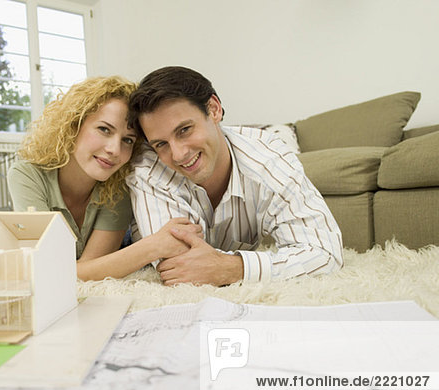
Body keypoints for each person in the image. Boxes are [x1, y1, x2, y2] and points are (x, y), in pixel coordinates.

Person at [126, 66, 344, 286]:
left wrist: (232, 267)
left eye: (184, 130)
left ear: (214, 109)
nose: (178, 154)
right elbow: (178, 267)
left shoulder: (268, 157)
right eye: (161, 144)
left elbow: (325, 252)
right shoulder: (148, 168)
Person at [8, 76, 202, 281]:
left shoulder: (118, 184)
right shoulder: (27, 175)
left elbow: (86, 271)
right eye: (104, 129)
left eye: (127, 140)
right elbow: (50, 270)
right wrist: (154, 245)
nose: (114, 150)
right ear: (73, 126)